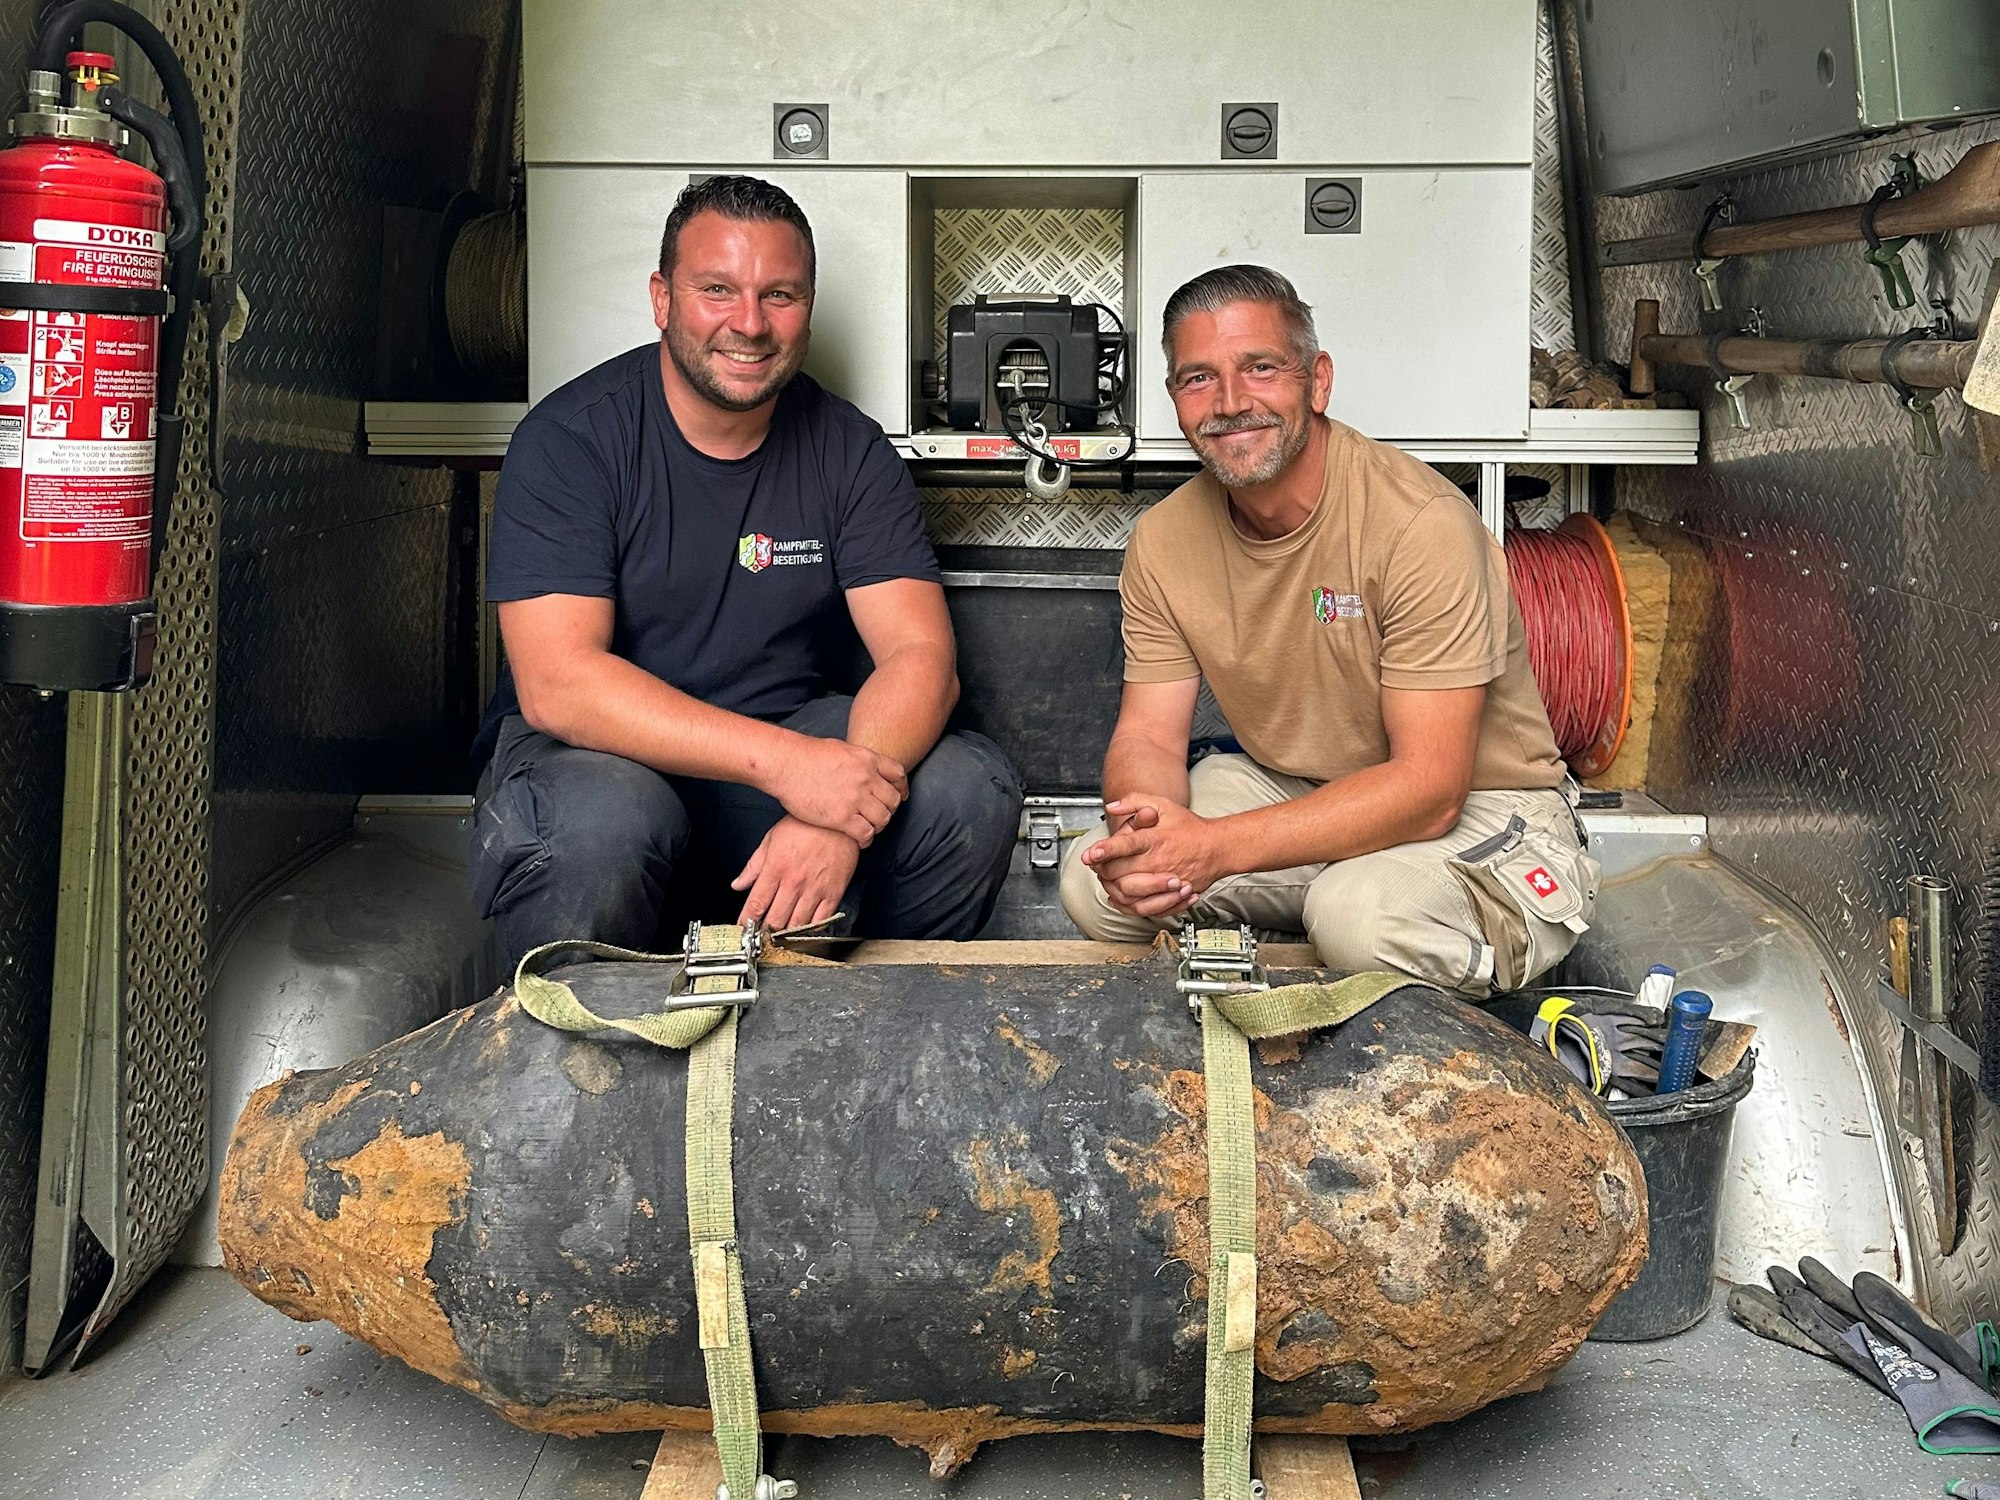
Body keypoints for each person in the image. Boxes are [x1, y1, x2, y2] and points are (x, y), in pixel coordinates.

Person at [471, 175, 1023, 967]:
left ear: (808, 307)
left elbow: (920, 656)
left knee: (967, 787)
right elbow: (561, 684)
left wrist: (839, 813)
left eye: (780, 295)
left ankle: (858, 1022)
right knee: (601, 823)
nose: (751, 324)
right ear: (662, 298)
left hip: (777, 759)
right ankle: (584, 1043)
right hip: (597, 765)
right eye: (717, 290)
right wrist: (797, 771)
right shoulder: (571, 440)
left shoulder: (848, 449)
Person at [1060, 264, 1598, 995]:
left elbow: (1431, 788)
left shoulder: (1420, 524)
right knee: (1096, 883)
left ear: (1317, 382)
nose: (1230, 402)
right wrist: (1147, 839)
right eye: (1199, 378)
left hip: (1484, 808)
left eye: (1261, 368)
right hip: (1297, 790)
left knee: (1354, 917)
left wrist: (1214, 850)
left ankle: (1453, 979)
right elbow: (1150, 737)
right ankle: (1305, 948)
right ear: (1174, 398)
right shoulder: (1163, 541)